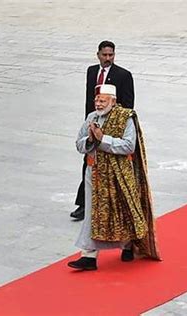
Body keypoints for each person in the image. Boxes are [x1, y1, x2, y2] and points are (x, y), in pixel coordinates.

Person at [68, 84, 160, 270]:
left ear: (113, 101)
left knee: (120, 211)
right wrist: (90, 140)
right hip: (93, 174)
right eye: (97, 100)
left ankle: (127, 245)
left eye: (103, 101)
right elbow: (79, 144)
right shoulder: (91, 118)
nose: (99, 104)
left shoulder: (125, 118)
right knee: (92, 214)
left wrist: (103, 140)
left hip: (118, 174)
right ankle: (89, 256)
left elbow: (128, 146)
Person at [71, 40, 135, 220]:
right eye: (105, 55)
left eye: (111, 55)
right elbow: (89, 100)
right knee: (88, 165)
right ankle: (84, 205)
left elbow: (128, 104)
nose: (108, 58)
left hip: (112, 128)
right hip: (92, 125)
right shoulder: (92, 71)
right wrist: (89, 123)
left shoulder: (123, 75)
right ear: (98, 54)